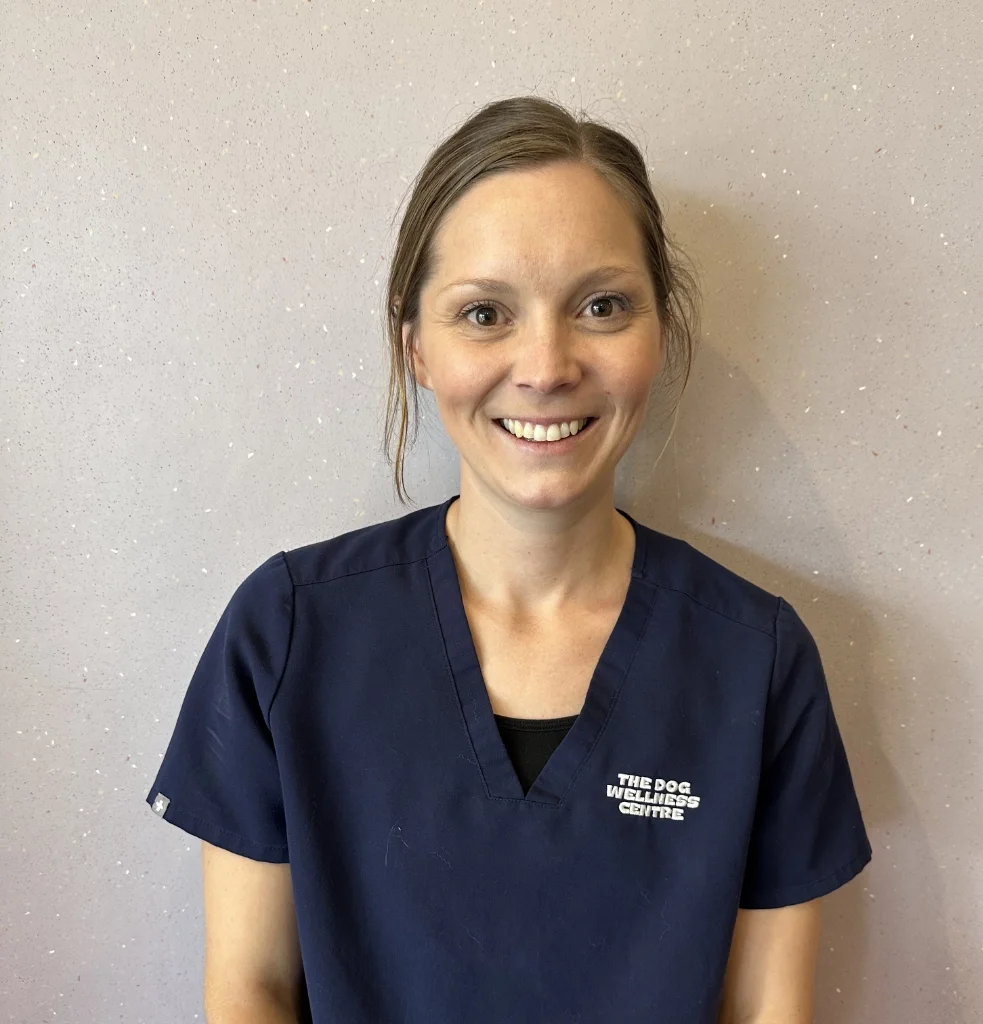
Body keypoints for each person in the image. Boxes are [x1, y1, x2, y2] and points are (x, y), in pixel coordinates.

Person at [145, 95, 872, 1024]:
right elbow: (253, 989)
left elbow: (769, 1010)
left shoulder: (755, 662)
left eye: (602, 305)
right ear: (416, 347)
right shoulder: (287, 632)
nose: (545, 364)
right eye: (485, 313)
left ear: (661, 332)